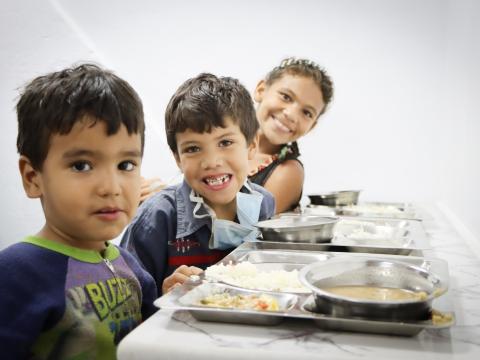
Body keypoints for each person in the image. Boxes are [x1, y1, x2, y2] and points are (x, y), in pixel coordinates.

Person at [0, 64, 157, 359]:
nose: (111, 187)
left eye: (126, 165)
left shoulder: (129, 266)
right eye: (81, 165)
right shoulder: (14, 274)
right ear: (33, 178)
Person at [121, 73, 276, 295]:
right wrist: (162, 296)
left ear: (252, 146)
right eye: (193, 148)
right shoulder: (156, 218)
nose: (212, 162)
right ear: (178, 158)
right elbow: (128, 305)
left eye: (225, 142)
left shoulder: (264, 204)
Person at [248, 57, 334, 213]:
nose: (292, 115)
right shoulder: (216, 139)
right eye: (286, 97)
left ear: (311, 126)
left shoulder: (287, 172)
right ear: (261, 90)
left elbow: (245, 231)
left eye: (307, 113)